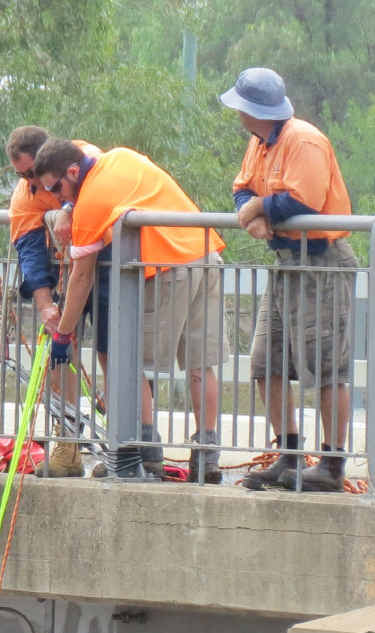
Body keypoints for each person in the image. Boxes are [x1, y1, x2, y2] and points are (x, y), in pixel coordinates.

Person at [33, 139, 226, 482]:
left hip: (170, 268)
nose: (60, 198)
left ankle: (141, 452)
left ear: (73, 172)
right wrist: (65, 208)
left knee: (130, 362)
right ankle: (207, 457)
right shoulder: (118, 156)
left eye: (58, 189)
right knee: (200, 362)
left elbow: (82, 278)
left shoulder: (90, 201)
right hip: (206, 254)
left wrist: (63, 333)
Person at [220, 67, 357, 493]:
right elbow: (241, 189)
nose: (238, 114)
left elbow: (304, 200)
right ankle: (290, 454)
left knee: (327, 366)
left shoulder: (305, 140)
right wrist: (253, 213)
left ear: (252, 109)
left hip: (322, 265)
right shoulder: (259, 142)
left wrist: (257, 208)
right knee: (265, 363)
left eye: (241, 107)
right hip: (286, 262)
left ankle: (332, 465)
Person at [5, 126, 103, 478]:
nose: (30, 183)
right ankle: (67, 446)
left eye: (32, 174)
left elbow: (99, 192)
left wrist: (67, 207)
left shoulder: (86, 155)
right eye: (21, 175)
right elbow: (29, 252)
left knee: (111, 350)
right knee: (62, 352)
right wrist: (46, 307)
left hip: (106, 268)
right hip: (70, 271)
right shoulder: (24, 196)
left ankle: (127, 445)